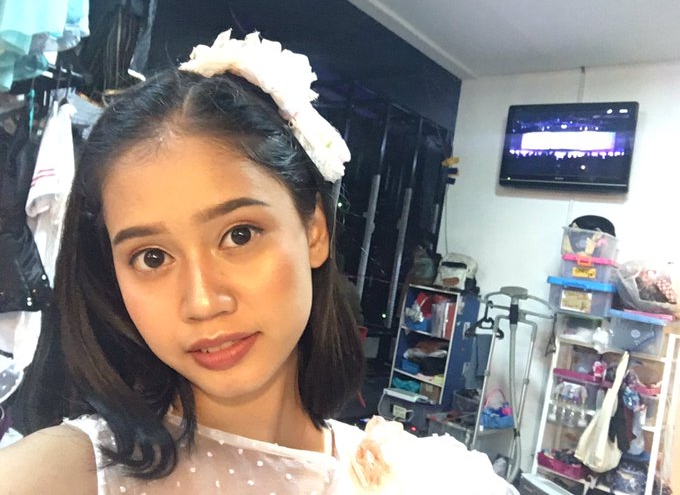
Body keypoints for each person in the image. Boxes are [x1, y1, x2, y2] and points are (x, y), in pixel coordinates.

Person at [0, 31, 518, 494]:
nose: (203, 301)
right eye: (152, 257)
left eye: (239, 235)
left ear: (314, 229)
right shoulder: (64, 475)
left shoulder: (426, 478)